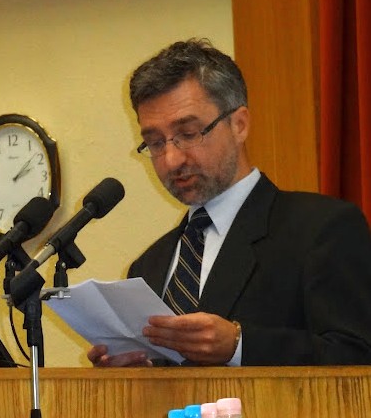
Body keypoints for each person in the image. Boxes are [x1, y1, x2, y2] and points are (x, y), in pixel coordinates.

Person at [88, 38, 371, 367]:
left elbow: (357, 354)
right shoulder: (148, 267)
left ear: (239, 125)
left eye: (189, 134)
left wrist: (240, 345)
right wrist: (137, 373)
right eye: (155, 142)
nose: (171, 159)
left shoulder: (322, 229)